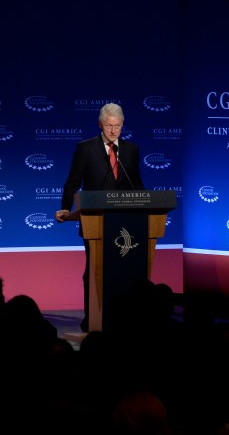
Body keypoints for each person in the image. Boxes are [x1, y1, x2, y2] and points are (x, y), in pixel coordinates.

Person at [55, 102, 145, 331]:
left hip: (126, 221)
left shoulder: (131, 150)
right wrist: (65, 207)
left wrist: (146, 205)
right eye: (108, 126)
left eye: (117, 126)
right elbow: (73, 181)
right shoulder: (86, 148)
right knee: (95, 270)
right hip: (94, 221)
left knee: (124, 270)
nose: (113, 131)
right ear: (100, 124)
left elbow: (136, 183)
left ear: (123, 125)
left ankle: (123, 318)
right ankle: (93, 318)